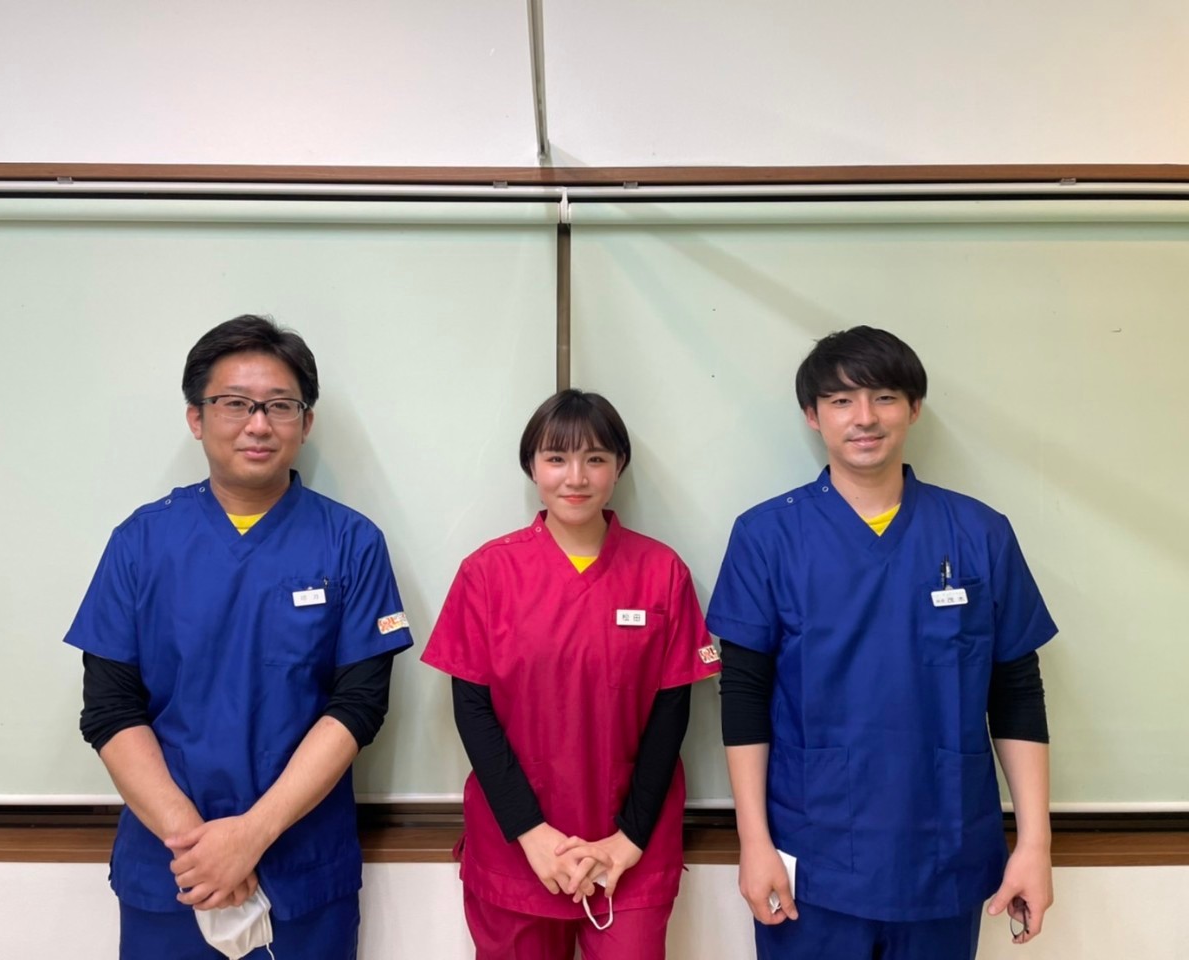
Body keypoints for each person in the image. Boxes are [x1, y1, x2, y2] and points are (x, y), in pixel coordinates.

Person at [65, 314, 413, 959]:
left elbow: (359, 705)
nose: (258, 424)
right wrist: (198, 846)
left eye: (280, 405)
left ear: (306, 422)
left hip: (302, 866)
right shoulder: (140, 542)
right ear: (196, 418)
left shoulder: (352, 542)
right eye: (235, 404)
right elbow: (110, 709)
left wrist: (250, 836)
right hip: (173, 866)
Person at [709, 326, 1056, 960]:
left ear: (914, 408)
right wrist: (752, 842)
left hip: (945, 853)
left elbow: (1017, 693)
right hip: (810, 857)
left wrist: (1035, 844)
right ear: (812, 416)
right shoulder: (767, 537)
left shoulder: (979, 533)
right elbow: (744, 697)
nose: (864, 417)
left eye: (884, 397)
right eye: (841, 401)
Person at [422, 388, 721, 960]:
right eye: (556, 458)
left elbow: (672, 716)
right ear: (532, 466)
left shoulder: (661, 572)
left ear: (619, 466)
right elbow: (473, 712)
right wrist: (531, 833)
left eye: (596, 458)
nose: (576, 477)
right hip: (517, 848)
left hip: (630, 852)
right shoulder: (487, 573)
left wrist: (628, 839)